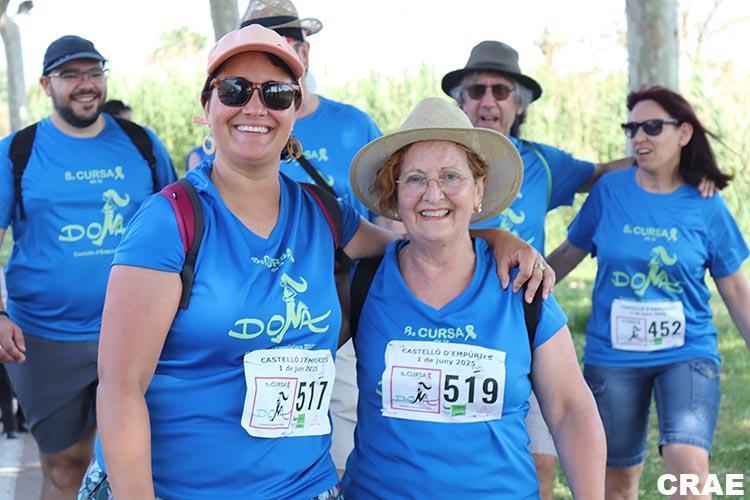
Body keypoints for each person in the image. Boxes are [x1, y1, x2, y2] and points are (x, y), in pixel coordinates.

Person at [85, 25, 552, 499]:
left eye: (276, 93)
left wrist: (494, 237)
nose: (255, 106)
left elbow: (416, 241)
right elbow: (120, 389)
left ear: (294, 111)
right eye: (234, 90)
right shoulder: (170, 222)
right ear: (207, 107)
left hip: (304, 488)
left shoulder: (323, 214)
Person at [441, 41, 713, 497]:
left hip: (519, 327)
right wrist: (495, 239)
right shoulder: (437, 160)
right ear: (461, 101)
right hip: (445, 325)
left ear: (519, 104)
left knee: (540, 464)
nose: (488, 101)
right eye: (476, 90)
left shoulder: (543, 164)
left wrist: (680, 166)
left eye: (500, 91)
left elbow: (604, 173)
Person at [341, 97, 605, 499]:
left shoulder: (522, 285)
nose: (433, 194)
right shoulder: (363, 283)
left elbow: (570, 409)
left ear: (479, 189)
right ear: (394, 194)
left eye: (450, 176)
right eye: (415, 179)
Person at [547, 85, 750, 499]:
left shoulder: (706, 204)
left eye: (652, 127)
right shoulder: (609, 192)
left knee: (688, 470)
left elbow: (734, 288)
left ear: (684, 133)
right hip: (613, 357)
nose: (639, 137)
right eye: (632, 128)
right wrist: (513, 294)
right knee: (617, 483)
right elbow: (568, 253)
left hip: (687, 352)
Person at [0, 35, 176, 498]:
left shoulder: (141, 143)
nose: (86, 84)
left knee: (137, 460)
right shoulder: (18, 151)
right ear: (46, 84)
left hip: (139, 329)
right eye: (70, 74)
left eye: (94, 72)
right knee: (65, 466)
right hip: (44, 336)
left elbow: (180, 224)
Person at [239, 0, 385, 474]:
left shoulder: (354, 126)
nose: (258, 106)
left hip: (338, 322)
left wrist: (484, 240)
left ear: (304, 51)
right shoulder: (234, 126)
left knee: (341, 455)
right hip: (248, 327)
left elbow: (392, 223)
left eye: (286, 41)